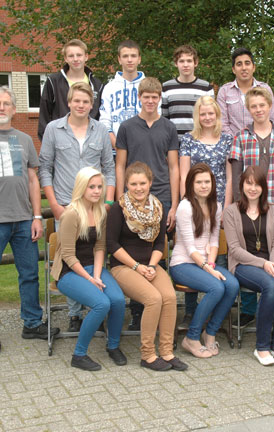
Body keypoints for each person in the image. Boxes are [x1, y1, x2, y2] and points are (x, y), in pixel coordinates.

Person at [0, 86, 58, 353]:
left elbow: (32, 180)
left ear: (14, 109)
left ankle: (32, 323)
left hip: (24, 220)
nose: (2, 108)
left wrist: (37, 216)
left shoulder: (24, 140)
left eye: (6, 104)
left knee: (30, 274)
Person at [39, 82, 116, 333]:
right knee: (70, 256)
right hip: (66, 205)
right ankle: (75, 314)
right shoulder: (53, 129)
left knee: (94, 251)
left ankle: (96, 306)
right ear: (69, 102)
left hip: (95, 206)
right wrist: (53, 204)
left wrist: (108, 202)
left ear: (92, 105)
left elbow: (109, 168)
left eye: (86, 101)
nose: (81, 105)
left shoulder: (100, 130)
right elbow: (45, 168)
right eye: (76, 101)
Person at [106, 162, 187, 372]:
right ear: (126, 185)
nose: (138, 188)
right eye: (134, 184)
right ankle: (148, 355)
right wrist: (136, 267)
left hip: (149, 264)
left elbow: (160, 243)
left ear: (150, 183)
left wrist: (151, 265)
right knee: (153, 299)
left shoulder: (158, 208)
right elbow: (111, 245)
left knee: (169, 297)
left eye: (142, 183)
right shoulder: (118, 209)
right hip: (123, 266)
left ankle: (167, 352)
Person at [228, 87, 274, 327]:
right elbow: (237, 175)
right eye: (254, 106)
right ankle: (248, 311)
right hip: (248, 207)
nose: (258, 110)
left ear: (270, 107)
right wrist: (239, 206)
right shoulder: (240, 137)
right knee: (249, 253)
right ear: (248, 109)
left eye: (262, 105)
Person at [115, 77, 179, 330]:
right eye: (146, 96)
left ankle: (159, 307)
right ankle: (138, 311)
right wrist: (120, 198)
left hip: (162, 196)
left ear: (159, 98)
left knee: (157, 250)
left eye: (155, 97)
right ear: (139, 97)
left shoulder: (169, 128)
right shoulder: (127, 127)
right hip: (134, 196)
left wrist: (174, 204)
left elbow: (173, 167)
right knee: (134, 249)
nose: (150, 101)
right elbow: (120, 164)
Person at [51, 167, 126, 371]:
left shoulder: (100, 211)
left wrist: (97, 275)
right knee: (101, 304)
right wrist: (90, 279)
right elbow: (68, 255)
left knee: (118, 300)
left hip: (93, 267)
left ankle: (113, 346)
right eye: (91, 187)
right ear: (81, 187)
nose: (96, 191)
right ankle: (79, 354)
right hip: (69, 272)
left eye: (100, 187)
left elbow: (100, 247)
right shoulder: (71, 214)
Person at [224, 166, 274, 366]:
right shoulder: (231, 211)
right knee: (271, 286)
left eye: (257, 184)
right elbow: (234, 249)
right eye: (248, 183)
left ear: (264, 187)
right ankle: (262, 347)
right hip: (244, 264)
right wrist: (264, 264)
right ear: (242, 185)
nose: (253, 188)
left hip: (272, 261)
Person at [170, 164, 239, 358]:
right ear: (191, 184)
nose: (203, 186)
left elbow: (214, 240)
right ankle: (191, 338)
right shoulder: (185, 207)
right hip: (183, 264)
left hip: (205, 263)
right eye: (199, 182)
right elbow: (190, 248)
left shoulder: (215, 205)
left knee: (232, 285)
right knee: (216, 287)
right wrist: (208, 269)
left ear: (212, 183)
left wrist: (211, 263)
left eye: (207, 181)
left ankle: (210, 333)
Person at [178, 96, 234, 329]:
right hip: (194, 204)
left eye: (211, 113)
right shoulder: (188, 139)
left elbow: (229, 177)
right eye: (203, 114)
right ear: (197, 116)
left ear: (217, 115)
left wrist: (226, 206)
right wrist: (187, 203)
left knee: (215, 252)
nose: (207, 117)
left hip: (217, 204)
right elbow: (184, 174)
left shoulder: (227, 139)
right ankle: (191, 312)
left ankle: (214, 310)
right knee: (193, 254)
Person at [37, 39, 103, 141]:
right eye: (71, 56)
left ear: (86, 57)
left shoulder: (97, 85)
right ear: (65, 58)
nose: (75, 59)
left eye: (79, 55)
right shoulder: (54, 82)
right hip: (60, 142)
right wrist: (48, 142)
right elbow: (44, 115)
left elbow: (100, 116)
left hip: (89, 142)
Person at [99, 40, 150, 152]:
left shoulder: (149, 86)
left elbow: (156, 120)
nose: (129, 60)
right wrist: (118, 148)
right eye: (125, 56)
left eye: (133, 56)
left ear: (139, 59)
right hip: (115, 151)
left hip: (144, 150)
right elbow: (104, 122)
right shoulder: (109, 88)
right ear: (119, 59)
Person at [217, 47, 274, 137]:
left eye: (247, 63)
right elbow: (222, 124)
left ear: (253, 67)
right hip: (233, 142)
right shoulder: (224, 91)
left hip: (262, 142)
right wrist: (237, 141)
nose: (244, 68)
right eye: (239, 64)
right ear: (233, 69)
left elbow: (272, 120)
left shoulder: (265, 89)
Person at [161, 45, 215, 139]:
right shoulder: (166, 87)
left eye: (189, 61)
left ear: (195, 63)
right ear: (176, 63)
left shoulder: (206, 88)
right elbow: (164, 119)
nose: (185, 65)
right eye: (181, 61)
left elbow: (211, 118)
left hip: (199, 141)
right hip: (174, 142)